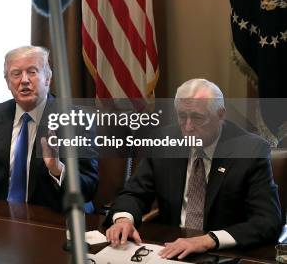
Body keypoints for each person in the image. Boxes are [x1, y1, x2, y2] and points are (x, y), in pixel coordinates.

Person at [105, 78, 282, 259]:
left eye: (197, 117)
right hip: (171, 248)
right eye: (182, 116)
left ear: (221, 115)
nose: (188, 127)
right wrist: (123, 219)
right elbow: (134, 193)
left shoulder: (250, 150)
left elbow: (267, 221)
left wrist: (208, 239)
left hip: (223, 253)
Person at [0, 45, 99, 212]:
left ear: (47, 79)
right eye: (16, 74)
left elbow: (89, 188)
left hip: (54, 218)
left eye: (32, 72)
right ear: (8, 82)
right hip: (1, 217)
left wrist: (58, 170)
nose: (24, 80)